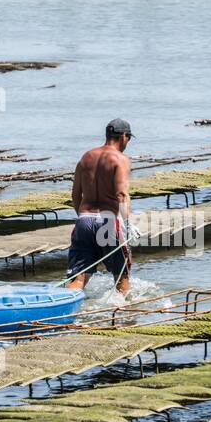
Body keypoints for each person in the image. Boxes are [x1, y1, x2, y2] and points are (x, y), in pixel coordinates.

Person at [66, 119, 134, 295]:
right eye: (129, 138)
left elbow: (75, 195)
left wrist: (84, 218)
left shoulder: (86, 157)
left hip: (84, 220)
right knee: (121, 278)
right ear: (124, 136)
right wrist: (127, 223)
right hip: (110, 222)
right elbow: (121, 194)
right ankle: (123, 318)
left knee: (78, 278)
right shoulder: (121, 159)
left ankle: (67, 311)